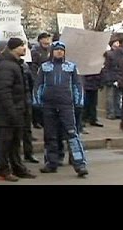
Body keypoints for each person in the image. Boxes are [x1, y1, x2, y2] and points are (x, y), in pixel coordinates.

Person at [34, 40, 89, 177]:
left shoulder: (71, 67)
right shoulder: (44, 67)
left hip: (66, 106)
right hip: (48, 106)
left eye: (62, 50)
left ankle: (79, 164)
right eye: (57, 49)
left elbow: (78, 86)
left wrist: (79, 103)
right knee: (50, 135)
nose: (59, 52)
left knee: (72, 134)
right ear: (52, 51)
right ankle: (51, 163)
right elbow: (38, 86)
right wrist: (36, 102)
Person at [0, 38, 36, 182]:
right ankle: (4, 170)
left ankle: (18, 168)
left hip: (19, 109)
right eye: (21, 46)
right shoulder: (6, 66)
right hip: (8, 112)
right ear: (13, 48)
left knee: (16, 142)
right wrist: (11, 111)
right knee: (6, 142)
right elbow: (4, 91)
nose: (24, 48)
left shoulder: (17, 64)